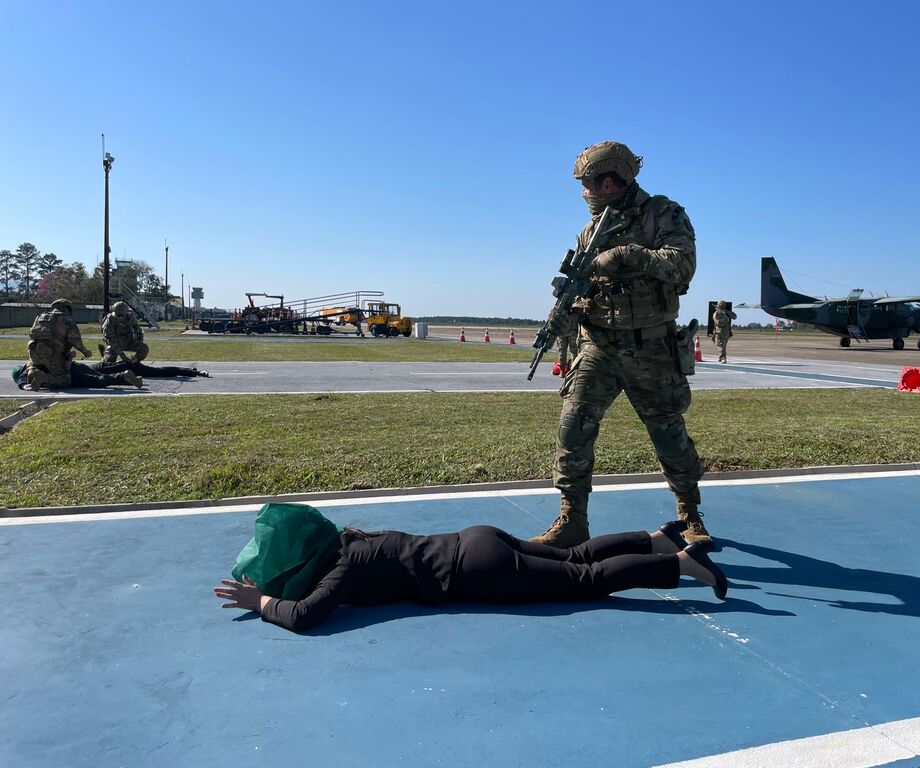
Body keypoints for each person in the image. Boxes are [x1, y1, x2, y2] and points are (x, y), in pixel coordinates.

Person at [535, 141, 710, 549]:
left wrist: (629, 255)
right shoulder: (588, 233)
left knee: (668, 435)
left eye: (591, 183)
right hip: (598, 345)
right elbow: (585, 290)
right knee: (573, 428)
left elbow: (682, 267)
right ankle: (572, 519)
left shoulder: (663, 214)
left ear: (612, 179)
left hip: (651, 346)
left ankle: (690, 515)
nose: (586, 192)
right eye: (584, 185)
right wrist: (565, 314)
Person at [214, 516, 728, 634]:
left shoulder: (343, 568)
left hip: (477, 569)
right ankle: (655, 538)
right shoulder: (352, 538)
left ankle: (678, 563)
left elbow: (306, 616)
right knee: (573, 557)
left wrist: (259, 603)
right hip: (477, 538)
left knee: (584, 582)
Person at [11, 358, 207, 391]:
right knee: (96, 376)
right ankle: (124, 373)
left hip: (74, 374)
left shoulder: (28, 367)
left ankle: (123, 377)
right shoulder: (38, 361)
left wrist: (23, 385)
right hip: (79, 367)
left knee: (97, 381)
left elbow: (20, 377)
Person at [25, 298, 93, 390]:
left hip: (33, 352)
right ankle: (43, 377)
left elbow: (32, 335)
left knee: (35, 364)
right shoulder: (67, 321)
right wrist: (86, 352)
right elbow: (76, 341)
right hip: (51, 354)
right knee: (64, 380)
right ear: (67, 309)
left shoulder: (40, 318)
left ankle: (32, 371)